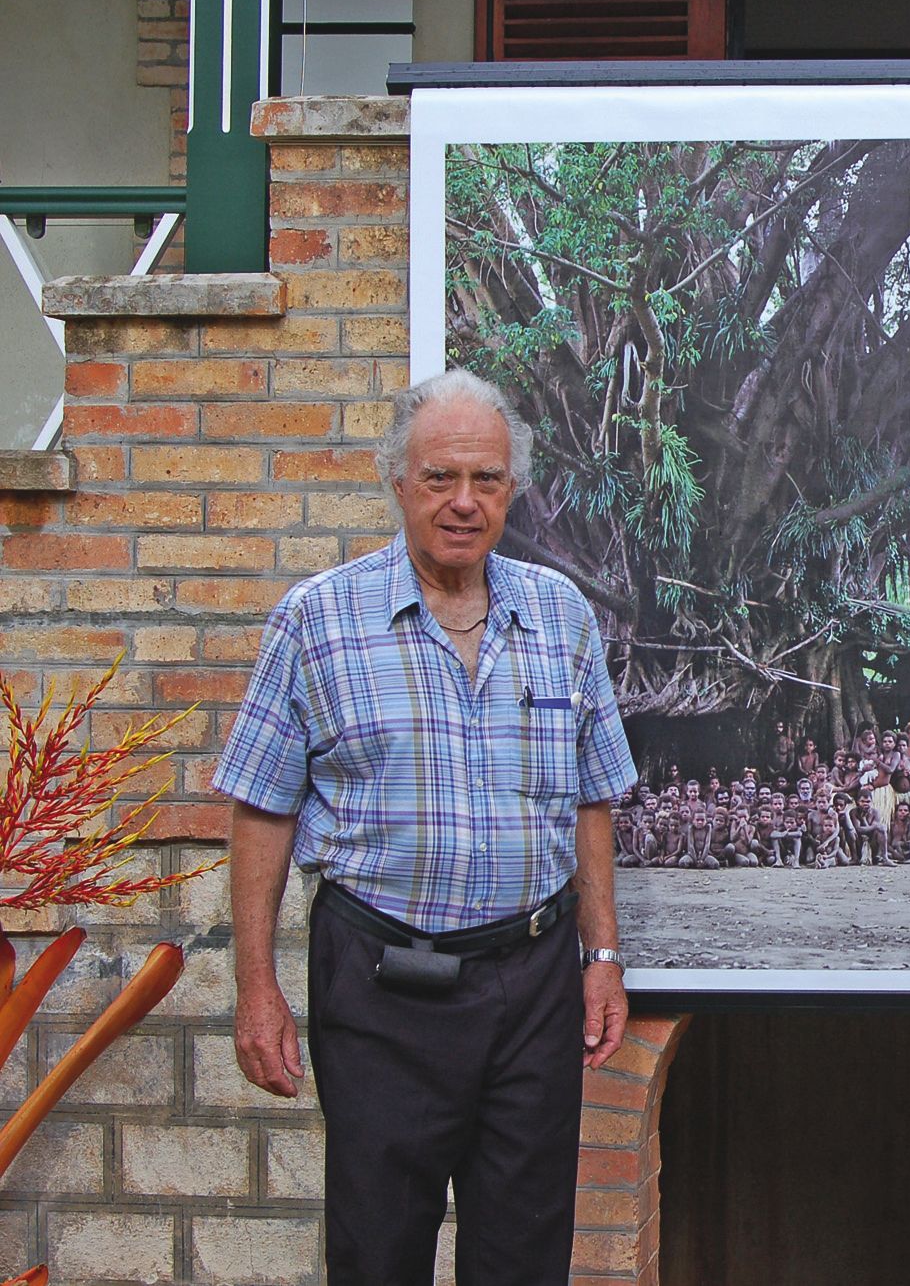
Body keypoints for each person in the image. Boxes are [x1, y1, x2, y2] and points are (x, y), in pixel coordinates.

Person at [218, 370, 638, 1286]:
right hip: (381, 987)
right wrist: (255, 988)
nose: (463, 502)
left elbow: (591, 797)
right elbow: (259, 809)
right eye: (441, 477)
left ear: (511, 490)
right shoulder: (316, 620)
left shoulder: (559, 616)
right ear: (397, 483)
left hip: (532, 984)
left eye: (486, 480)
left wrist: (601, 958)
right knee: (378, 1251)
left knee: (525, 1253)